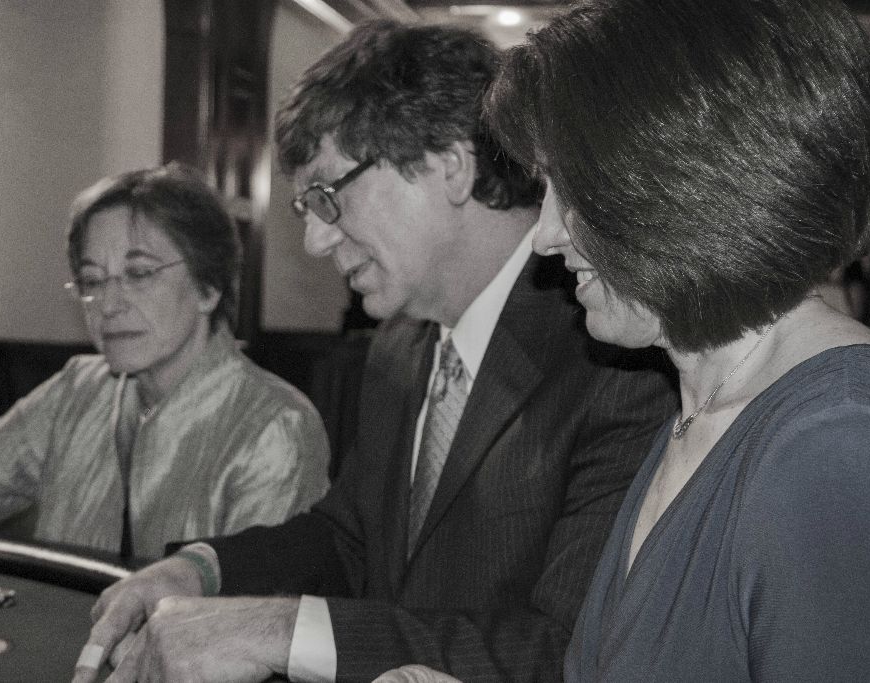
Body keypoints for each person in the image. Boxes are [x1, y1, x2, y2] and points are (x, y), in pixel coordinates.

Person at [73, 22, 676, 682]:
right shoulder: (398, 345)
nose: (315, 240)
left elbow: (565, 647)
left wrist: (275, 630)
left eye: (328, 196)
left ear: (449, 165)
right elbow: (349, 536)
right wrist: (199, 569)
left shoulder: (614, 357)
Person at [483, 0, 870, 679]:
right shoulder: (708, 404)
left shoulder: (841, 442)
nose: (545, 236)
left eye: (572, 190)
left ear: (690, 183)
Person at [0, 163, 330, 562]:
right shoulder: (79, 388)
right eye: (92, 281)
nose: (108, 305)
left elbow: (247, 606)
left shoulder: (275, 426)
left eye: (139, 274)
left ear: (208, 287)